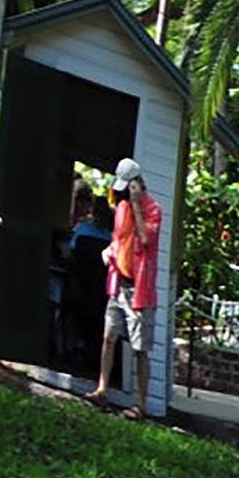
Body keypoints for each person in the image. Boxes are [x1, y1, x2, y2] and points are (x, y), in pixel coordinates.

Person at [94, 158, 163, 413]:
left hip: (139, 290)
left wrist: (136, 204)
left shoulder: (153, 208)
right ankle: (101, 388)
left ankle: (140, 404)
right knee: (109, 337)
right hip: (118, 281)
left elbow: (145, 239)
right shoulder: (121, 207)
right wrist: (109, 251)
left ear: (137, 183)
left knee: (139, 348)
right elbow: (119, 238)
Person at [53, 184, 110, 387]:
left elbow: (69, 254)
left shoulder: (83, 230)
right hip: (100, 297)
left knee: (61, 306)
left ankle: (65, 349)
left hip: (77, 293)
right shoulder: (110, 239)